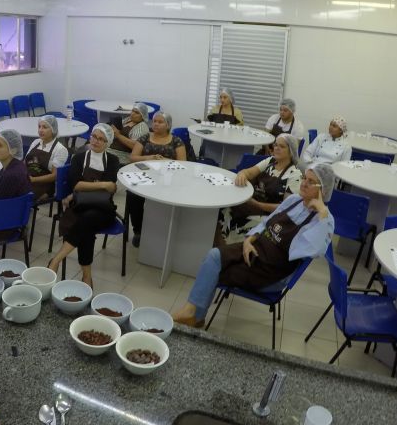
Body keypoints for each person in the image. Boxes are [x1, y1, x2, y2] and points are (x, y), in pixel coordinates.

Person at [172, 163, 336, 327]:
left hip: (273, 270)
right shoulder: (294, 200)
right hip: (255, 249)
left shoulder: (324, 221)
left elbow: (313, 249)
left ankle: (195, 315)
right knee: (214, 255)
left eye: (311, 181)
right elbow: (266, 223)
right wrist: (248, 240)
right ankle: (193, 314)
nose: (304, 183)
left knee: (216, 269)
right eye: (304, 178)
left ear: (324, 189)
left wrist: (322, 212)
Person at [47, 124, 121, 288]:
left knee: (87, 221)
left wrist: (82, 189)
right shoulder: (79, 158)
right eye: (94, 136)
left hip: (104, 208)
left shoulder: (113, 161)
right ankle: (87, 277)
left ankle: (56, 260)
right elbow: (76, 185)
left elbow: (110, 189)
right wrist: (101, 185)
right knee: (87, 225)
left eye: (101, 139)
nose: (96, 141)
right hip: (81, 207)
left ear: (108, 143)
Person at [126, 111, 195, 246]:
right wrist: (148, 158)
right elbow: (132, 158)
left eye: (160, 122)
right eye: (154, 121)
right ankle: (138, 230)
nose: (156, 124)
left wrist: (166, 161)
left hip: (168, 179)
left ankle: (161, 230)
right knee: (132, 195)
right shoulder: (145, 138)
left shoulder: (176, 141)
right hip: (144, 177)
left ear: (168, 125)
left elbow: (184, 164)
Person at [220, 134, 302, 243]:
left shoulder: (294, 175)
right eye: (275, 145)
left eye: (281, 146)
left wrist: (258, 205)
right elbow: (248, 172)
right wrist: (242, 174)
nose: (276, 148)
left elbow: (285, 208)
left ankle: (229, 246)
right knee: (223, 209)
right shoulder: (270, 162)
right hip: (251, 204)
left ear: (291, 151)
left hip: (268, 216)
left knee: (235, 222)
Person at [24, 115, 69, 200]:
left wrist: (33, 180)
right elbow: (25, 162)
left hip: (44, 185)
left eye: (44, 127)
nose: (40, 130)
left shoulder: (60, 149)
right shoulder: (35, 142)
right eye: (39, 127)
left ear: (53, 129)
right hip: (28, 179)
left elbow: (55, 176)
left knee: (22, 198)